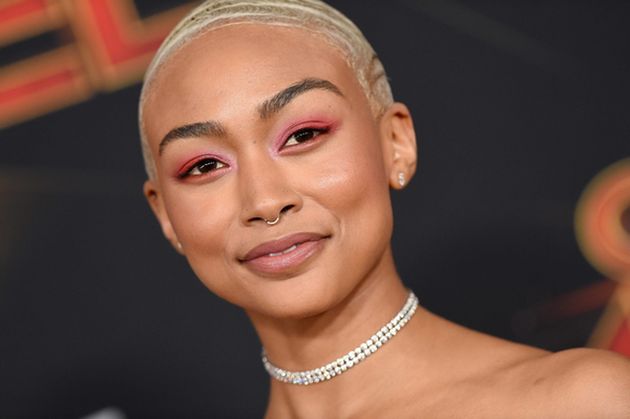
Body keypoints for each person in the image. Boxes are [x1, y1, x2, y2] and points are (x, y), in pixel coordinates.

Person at [138, 0, 630, 417]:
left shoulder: (581, 403)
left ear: (396, 143)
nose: (264, 201)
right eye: (204, 166)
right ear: (165, 215)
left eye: (303, 135)